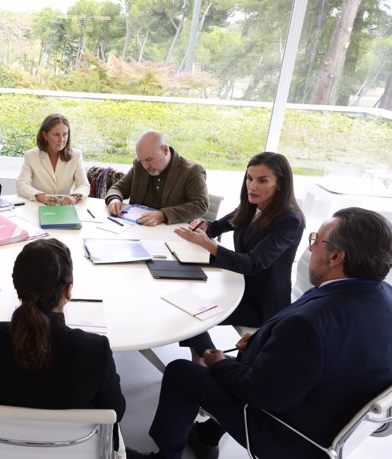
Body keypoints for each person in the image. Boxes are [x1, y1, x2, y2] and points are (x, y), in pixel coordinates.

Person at [127, 207, 392, 459]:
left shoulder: (309, 324)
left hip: (288, 431)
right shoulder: (384, 297)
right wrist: (268, 341)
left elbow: (258, 393)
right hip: (330, 415)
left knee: (182, 372)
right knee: (237, 365)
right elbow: (330, 352)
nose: (311, 248)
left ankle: (166, 454)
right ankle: (207, 437)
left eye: (316, 241)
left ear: (336, 257)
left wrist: (217, 363)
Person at [0, 238, 126, 422]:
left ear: (17, 286)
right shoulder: (95, 350)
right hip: (71, 448)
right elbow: (115, 413)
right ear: (68, 291)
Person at [174, 152, 305, 364]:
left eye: (262, 180)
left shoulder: (289, 220)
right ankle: (202, 358)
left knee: (191, 313)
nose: (252, 186)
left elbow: (253, 263)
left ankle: (208, 360)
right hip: (237, 286)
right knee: (184, 300)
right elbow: (217, 226)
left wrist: (207, 244)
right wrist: (203, 226)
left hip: (261, 303)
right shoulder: (252, 205)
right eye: (249, 178)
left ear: (280, 184)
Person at [105, 131, 208, 226]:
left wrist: (163, 215)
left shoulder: (192, 171)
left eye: (149, 159)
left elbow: (200, 205)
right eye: (142, 160)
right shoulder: (139, 165)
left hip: (171, 233)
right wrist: (114, 199)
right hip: (137, 228)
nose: (145, 166)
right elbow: (118, 188)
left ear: (165, 150)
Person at [16, 114, 90, 205]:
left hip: (65, 206)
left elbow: (84, 185)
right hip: (40, 205)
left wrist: (74, 197)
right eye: (56, 135)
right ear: (45, 135)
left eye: (65, 134)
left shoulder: (76, 155)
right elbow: (21, 184)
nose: (61, 139)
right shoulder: (31, 156)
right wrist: (41, 197)